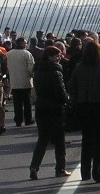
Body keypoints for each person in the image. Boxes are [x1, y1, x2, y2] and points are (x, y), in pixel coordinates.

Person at [66, 41, 100, 183]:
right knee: (99, 140)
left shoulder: (79, 67)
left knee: (86, 139)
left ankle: (85, 172)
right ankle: (97, 172)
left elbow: (71, 86)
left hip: (83, 106)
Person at [29, 46, 71, 181]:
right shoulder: (56, 72)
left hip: (41, 107)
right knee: (59, 140)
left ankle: (34, 166)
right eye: (57, 56)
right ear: (50, 56)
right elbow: (61, 92)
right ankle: (60, 169)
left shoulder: (38, 71)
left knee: (42, 139)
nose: (59, 58)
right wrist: (68, 100)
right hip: (55, 109)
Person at [6, 37, 35, 127]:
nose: (26, 44)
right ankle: (28, 119)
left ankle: (18, 120)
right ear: (22, 43)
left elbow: (6, 66)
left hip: (14, 82)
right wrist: (32, 76)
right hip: (25, 82)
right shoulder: (27, 53)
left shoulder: (9, 54)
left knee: (17, 103)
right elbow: (31, 67)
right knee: (27, 103)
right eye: (25, 43)